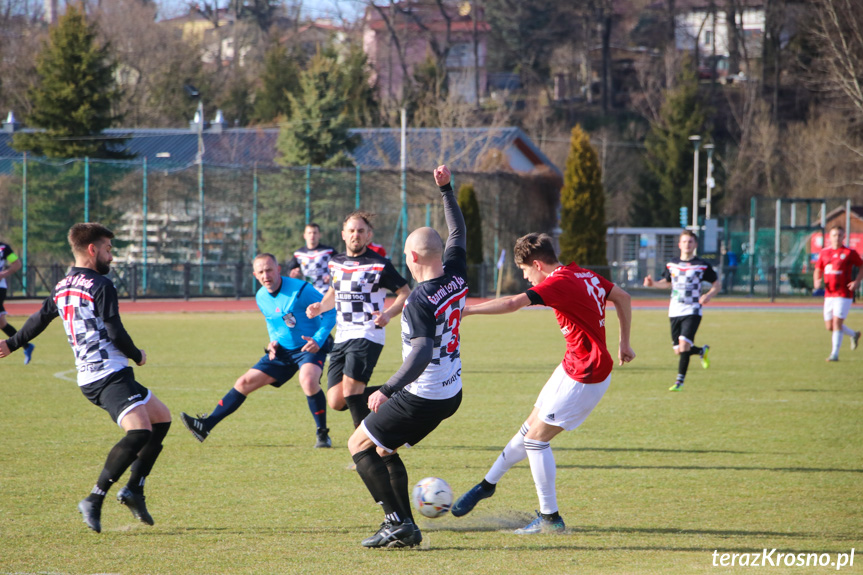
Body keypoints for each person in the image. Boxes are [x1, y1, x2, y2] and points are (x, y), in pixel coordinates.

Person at [450, 232, 635, 535]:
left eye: (525, 271)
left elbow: (512, 303)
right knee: (528, 428)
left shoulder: (558, 282)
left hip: (586, 375)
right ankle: (487, 484)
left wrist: (466, 310)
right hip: (571, 365)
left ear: (537, 264)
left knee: (536, 440)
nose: (526, 278)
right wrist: (624, 343)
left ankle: (550, 519)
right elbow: (623, 297)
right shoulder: (582, 273)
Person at [0, 223, 172, 533]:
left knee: (161, 419)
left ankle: (134, 488)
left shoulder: (63, 284)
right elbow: (115, 331)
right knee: (139, 432)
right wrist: (138, 354)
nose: (111, 256)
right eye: (108, 249)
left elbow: (39, 319)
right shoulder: (101, 286)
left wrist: (11, 344)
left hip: (100, 374)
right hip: (106, 374)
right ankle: (95, 498)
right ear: (92, 250)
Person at [348, 164, 467, 548]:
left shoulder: (417, 300)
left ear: (413, 256)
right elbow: (458, 232)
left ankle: (396, 521)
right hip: (452, 391)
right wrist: (446, 190)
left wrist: (389, 389)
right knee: (382, 446)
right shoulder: (456, 275)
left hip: (424, 393)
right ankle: (405, 526)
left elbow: (420, 353)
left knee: (358, 446)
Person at [180, 253, 337, 447]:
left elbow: (331, 311)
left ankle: (322, 434)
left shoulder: (301, 289)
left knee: (308, 380)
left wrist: (319, 339)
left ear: (278, 270)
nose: (266, 275)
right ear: (255, 275)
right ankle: (205, 425)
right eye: (261, 272)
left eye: (269, 270)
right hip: (283, 351)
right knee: (244, 382)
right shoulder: (261, 296)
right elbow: (273, 323)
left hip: (309, 346)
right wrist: (273, 342)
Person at [306, 211, 410, 431]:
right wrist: (320, 307)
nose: (356, 235)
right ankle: (401, 392)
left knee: (352, 393)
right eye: (352, 231)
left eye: (361, 231)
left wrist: (388, 314)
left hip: (367, 334)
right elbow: (333, 293)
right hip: (342, 336)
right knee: (336, 400)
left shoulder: (379, 264)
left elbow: (405, 292)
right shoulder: (335, 263)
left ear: (368, 235)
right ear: (343, 235)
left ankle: (365, 450)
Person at [643, 230, 719, 391]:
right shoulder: (672, 264)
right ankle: (700, 351)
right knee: (679, 350)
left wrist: (708, 295)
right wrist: (653, 284)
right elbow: (666, 282)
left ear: (695, 245)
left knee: (684, 345)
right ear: (679, 244)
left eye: (690, 242)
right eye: (684, 241)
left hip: (693, 310)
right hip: (674, 310)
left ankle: (679, 382)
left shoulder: (702, 265)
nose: (687, 244)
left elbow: (716, 284)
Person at [813, 225, 863, 361]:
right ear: (830, 236)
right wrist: (816, 280)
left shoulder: (849, 252)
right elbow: (818, 269)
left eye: (840, 235)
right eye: (834, 235)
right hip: (829, 295)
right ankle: (854, 334)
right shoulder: (824, 252)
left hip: (844, 294)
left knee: (837, 323)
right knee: (830, 326)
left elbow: (861, 266)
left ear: (844, 237)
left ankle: (834, 354)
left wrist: (857, 281)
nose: (837, 238)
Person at [0, 240, 34, 364]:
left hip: (0, 288)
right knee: (2, 323)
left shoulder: (3, 248)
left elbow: (16, 263)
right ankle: (26, 346)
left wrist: (4, 274)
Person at [285, 222, 336, 295]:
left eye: (315, 233)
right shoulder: (298, 254)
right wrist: (293, 273)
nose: (312, 235)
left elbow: (339, 267)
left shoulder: (329, 251)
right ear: (304, 236)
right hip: (308, 292)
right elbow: (290, 270)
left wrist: (331, 277)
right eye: (309, 233)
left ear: (319, 235)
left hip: (325, 291)